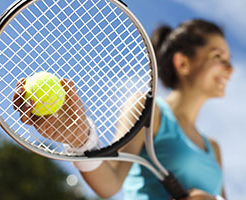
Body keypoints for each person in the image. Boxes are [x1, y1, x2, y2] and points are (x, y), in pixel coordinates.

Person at [13, 19, 233, 200]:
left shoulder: (214, 148)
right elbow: (110, 183)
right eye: (218, 56)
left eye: (229, 59)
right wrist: (80, 141)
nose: (230, 68)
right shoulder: (149, 110)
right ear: (183, 63)